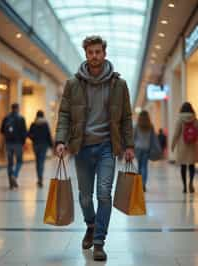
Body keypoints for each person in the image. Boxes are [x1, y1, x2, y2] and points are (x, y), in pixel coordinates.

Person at [55, 35, 134, 261]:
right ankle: (91, 224)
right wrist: (61, 140)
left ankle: (99, 241)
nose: (95, 56)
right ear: (86, 54)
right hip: (82, 147)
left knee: (104, 194)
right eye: (91, 52)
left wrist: (128, 145)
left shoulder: (119, 84)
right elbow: (64, 115)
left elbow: (127, 117)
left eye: (98, 52)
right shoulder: (73, 84)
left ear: (104, 53)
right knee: (85, 197)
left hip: (107, 147)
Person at [171, 102, 198, 193]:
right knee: (191, 165)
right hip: (192, 146)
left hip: (182, 147)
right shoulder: (195, 119)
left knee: (183, 166)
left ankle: (185, 187)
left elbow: (176, 134)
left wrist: (173, 145)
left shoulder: (180, 119)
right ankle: (191, 183)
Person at [0, 103, 27, 189]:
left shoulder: (6, 118)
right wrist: (23, 142)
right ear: (18, 109)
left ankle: (11, 183)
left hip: (8, 144)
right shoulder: (21, 119)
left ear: (11, 108)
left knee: (10, 163)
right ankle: (14, 176)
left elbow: (1, 130)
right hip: (18, 144)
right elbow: (24, 132)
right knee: (19, 161)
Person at [28, 110, 53, 188]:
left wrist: (33, 138)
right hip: (44, 145)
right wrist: (52, 146)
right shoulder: (45, 124)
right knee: (41, 162)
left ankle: (39, 178)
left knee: (37, 162)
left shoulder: (33, 124)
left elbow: (28, 134)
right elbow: (48, 135)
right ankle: (40, 178)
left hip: (35, 145)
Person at [134, 110, 154, 192]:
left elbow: (134, 137)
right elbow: (152, 138)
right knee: (144, 167)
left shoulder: (137, 125)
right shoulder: (150, 126)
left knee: (139, 167)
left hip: (138, 148)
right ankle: (143, 184)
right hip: (146, 148)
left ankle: (139, 184)